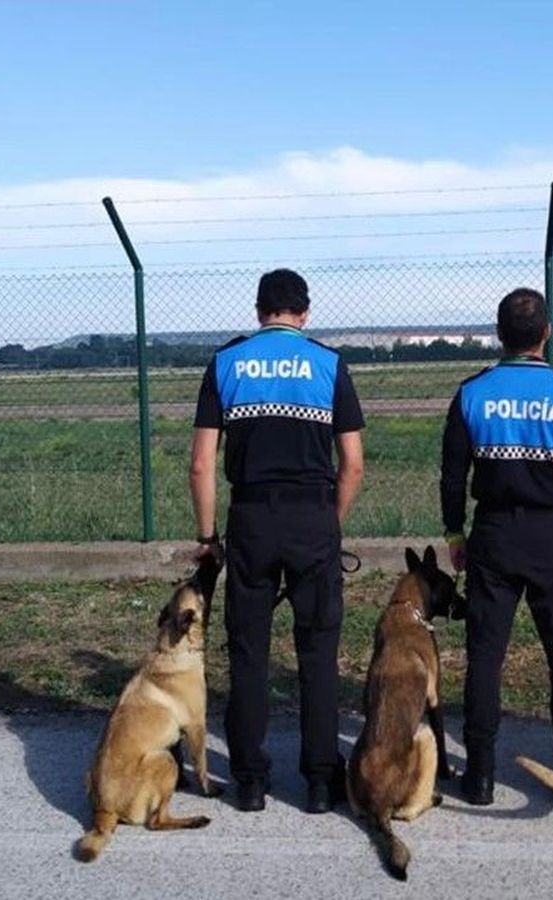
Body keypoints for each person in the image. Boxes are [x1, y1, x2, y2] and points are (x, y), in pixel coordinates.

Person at [190, 268, 366, 814]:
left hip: (251, 519)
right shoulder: (329, 364)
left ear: (259, 309)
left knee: (248, 652)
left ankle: (248, 780)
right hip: (313, 518)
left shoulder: (226, 362)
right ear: (305, 313)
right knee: (317, 652)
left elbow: (201, 464)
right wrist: (329, 522)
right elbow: (353, 465)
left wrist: (208, 537)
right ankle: (318, 781)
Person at [439, 287, 553, 806]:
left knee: (485, 656)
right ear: (546, 333)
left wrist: (454, 534)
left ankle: (481, 774)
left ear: (498, 334)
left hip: (493, 534)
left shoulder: (471, 392)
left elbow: (451, 476)